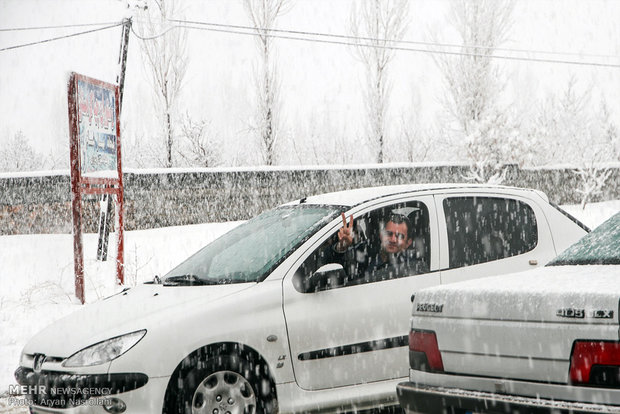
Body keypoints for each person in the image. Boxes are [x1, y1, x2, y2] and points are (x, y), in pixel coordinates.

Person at [332, 211, 428, 281]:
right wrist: (342, 246)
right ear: (381, 235)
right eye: (389, 234)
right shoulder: (366, 251)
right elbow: (331, 263)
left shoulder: (413, 267)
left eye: (399, 236)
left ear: (408, 242)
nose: (393, 240)